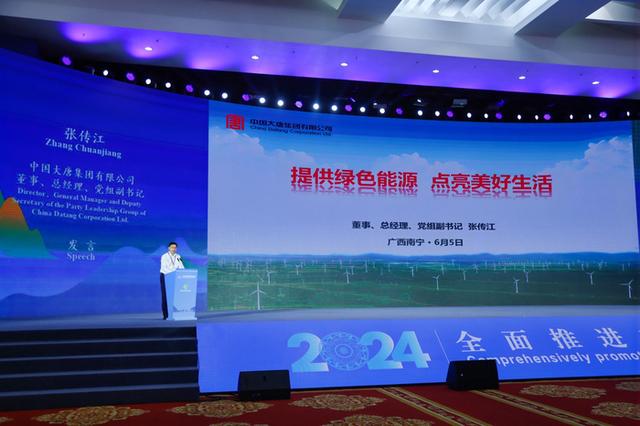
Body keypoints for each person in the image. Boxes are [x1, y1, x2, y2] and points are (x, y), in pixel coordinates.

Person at [159, 241, 185, 319]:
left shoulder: (178, 256)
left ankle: (174, 313)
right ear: (169, 248)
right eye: (172, 247)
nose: (173, 249)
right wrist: (174, 273)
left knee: (175, 296)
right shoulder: (164, 256)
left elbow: (181, 266)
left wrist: (183, 272)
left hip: (176, 277)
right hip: (165, 276)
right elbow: (164, 268)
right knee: (165, 296)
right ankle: (166, 315)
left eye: (175, 247)